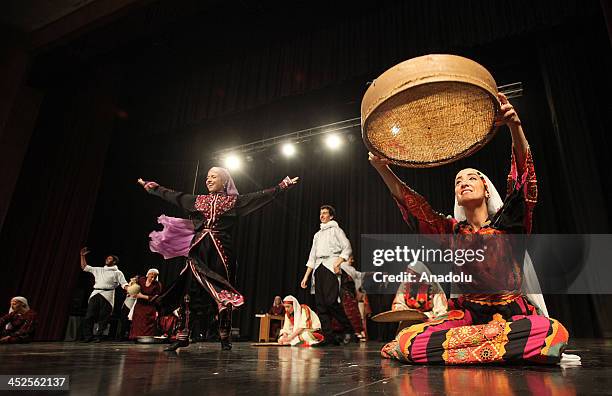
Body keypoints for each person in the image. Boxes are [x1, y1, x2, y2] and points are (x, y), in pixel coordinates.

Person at [372, 93, 569, 364]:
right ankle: (496, 350)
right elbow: (415, 208)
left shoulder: (509, 226)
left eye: (472, 177)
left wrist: (515, 127)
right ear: (456, 194)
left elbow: (524, 181)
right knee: (408, 340)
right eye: (458, 180)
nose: (464, 182)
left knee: (551, 332)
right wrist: (383, 169)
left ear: (486, 189)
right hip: (465, 317)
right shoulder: (452, 232)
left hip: (512, 316)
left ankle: (464, 350)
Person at [140, 168, 298, 351]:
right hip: (198, 249)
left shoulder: (233, 202)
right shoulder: (198, 200)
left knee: (222, 292)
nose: (208, 180)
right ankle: (183, 335)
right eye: (207, 177)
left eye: (213, 177)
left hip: (221, 251)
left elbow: (258, 197)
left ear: (225, 182)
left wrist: (282, 186)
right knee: (188, 291)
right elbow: (174, 196)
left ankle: (224, 335)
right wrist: (153, 188)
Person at [300, 205, 354, 346]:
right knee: (321, 305)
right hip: (318, 267)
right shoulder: (317, 235)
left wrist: (338, 263)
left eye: (325, 213)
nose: (322, 215)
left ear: (331, 216)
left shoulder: (336, 230)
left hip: (330, 265)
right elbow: (312, 257)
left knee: (331, 302)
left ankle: (349, 329)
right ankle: (328, 337)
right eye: (321, 213)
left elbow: (347, 247)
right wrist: (306, 276)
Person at [80, 247, 128, 342]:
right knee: (89, 315)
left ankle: (98, 336)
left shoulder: (117, 273)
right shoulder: (99, 269)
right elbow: (84, 267)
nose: (107, 259)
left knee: (104, 317)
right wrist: (82, 256)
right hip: (96, 293)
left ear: (114, 262)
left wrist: (129, 288)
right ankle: (88, 337)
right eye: (107, 258)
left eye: (109, 259)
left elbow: (124, 283)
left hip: (108, 294)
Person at [128, 268, 162, 339]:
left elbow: (156, 298)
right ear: (148, 275)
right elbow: (133, 286)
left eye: (155, 277)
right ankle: (135, 337)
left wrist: (142, 296)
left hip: (149, 307)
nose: (153, 279)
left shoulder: (157, 285)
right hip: (139, 306)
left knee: (147, 323)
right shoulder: (141, 280)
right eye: (151, 277)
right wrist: (131, 288)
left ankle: (146, 338)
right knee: (137, 322)